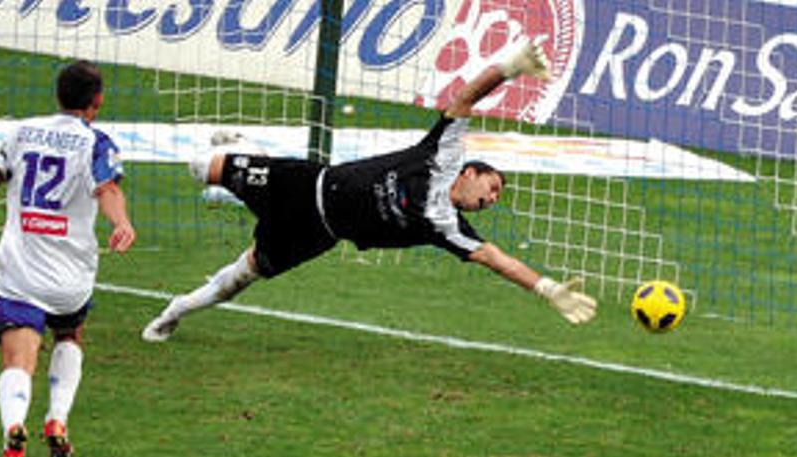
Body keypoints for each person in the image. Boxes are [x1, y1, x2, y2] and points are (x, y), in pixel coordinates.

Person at [141, 42, 596, 344]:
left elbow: (498, 259)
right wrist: (510, 68)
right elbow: (465, 99)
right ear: (470, 172)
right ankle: (244, 151)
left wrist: (548, 289)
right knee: (201, 167)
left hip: (315, 235)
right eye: (491, 186)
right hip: (304, 184)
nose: (490, 198)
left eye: (495, 198)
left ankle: (175, 310)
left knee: (240, 279)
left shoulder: (448, 228)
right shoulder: (442, 153)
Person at [0, 60, 136, 457]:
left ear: (57, 95)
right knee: (69, 336)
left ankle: (13, 435)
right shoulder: (96, 142)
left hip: (21, 271)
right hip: (71, 276)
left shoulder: (22, 131)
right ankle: (56, 418)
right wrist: (122, 223)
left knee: (18, 359)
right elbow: (108, 190)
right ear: (96, 102)